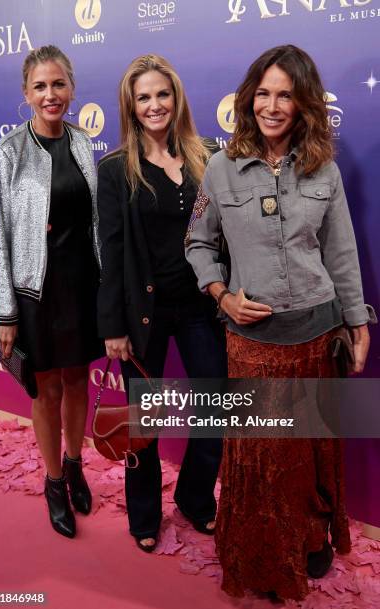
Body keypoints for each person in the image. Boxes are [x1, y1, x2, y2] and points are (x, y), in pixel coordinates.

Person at [185, 45, 376, 600]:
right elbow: (197, 243)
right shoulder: (220, 168)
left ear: (303, 104)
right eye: (263, 93)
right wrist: (222, 296)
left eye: (285, 95)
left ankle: (310, 537)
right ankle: (262, 553)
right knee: (261, 457)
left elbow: (341, 253)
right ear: (249, 99)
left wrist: (356, 324)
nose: (272, 105)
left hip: (317, 335)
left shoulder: (325, 169)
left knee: (310, 449)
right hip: (252, 343)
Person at [97, 54, 227, 552]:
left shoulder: (209, 155)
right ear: (131, 106)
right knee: (143, 425)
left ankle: (195, 500)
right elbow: (110, 254)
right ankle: (145, 515)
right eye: (143, 97)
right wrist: (113, 325)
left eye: (162, 94)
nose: (155, 105)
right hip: (143, 315)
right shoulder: (115, 170)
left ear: (177, 98)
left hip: (201, 306)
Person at [0, 45, 104, 539]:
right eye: (40, 86)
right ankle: (54, 481)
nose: (50, 94)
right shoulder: (8, 152)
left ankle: (76, 463)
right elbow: (2, 235)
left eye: (58, 84)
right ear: (26, 94)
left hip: (82, 284)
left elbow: (95, 220)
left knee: (78, 381)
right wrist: (5, 313)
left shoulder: (83, 143)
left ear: (72, 89)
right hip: (36, 289)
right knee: (47, 388)